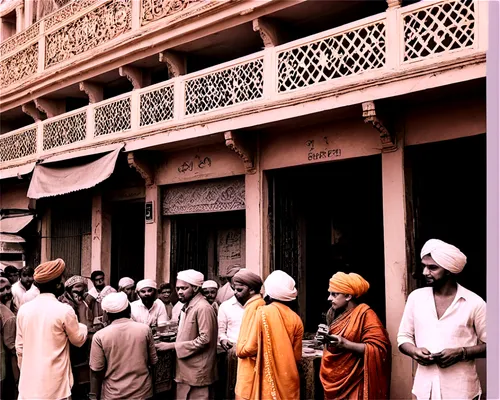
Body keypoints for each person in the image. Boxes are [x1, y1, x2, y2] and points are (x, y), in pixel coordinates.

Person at [398, 239, 486, 400]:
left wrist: (461, 353)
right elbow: (403, 337)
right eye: (424, 266)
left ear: (449, 270)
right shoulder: (416, 298)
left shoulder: (475, 303)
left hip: (462, 391)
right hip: (424, 390)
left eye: (432, 267)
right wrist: (414, 351)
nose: (425, 272)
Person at [15, 258, 88, 400]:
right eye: (62, 278)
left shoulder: (24, 310)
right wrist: (82, 325)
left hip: (29, 385)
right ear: (57, 284)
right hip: (56, 387)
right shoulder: (64, 310)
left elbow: (20, 348)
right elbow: (78, 340)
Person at [318, 272, 391, 400]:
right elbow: (334, 346)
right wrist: (326, 339)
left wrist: (346, 344)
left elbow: (379, 348)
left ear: (348, 296)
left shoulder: (366, 314)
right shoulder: (332, 313)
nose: (329, 298)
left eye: (334, 294)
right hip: (335, 377)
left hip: (356, 379)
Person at [237, 270, 303, 400]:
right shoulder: (296, 318)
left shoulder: (263, 312)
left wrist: (239, 350)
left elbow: (250, 348)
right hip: (289, 379)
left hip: (268, 379)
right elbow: (296, 357)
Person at [155, 269, 218, 400]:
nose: (179, 292)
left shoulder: (203, 308)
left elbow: (205, 339)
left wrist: (171, 346)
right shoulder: (188, 305)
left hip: (198, 370)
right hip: (186, 368)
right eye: (178, 289)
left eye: (184, 288)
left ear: (195, 288)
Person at [89, 292, 158, 400]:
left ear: (106, 314)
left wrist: (93, 396)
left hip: (113, 395)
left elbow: (96, 371)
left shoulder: (100, 336)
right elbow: (153, 362)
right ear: (129, 310)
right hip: (143, 392)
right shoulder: (145, 330)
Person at [230, 269, 264, 400]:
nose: (235, 293)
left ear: (251, 290)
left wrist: (239, 350)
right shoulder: (253, 305)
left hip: (250, 365)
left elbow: (252, 344)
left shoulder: (256, 306)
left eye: (239, 290)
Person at [59, 275, 95, 398]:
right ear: (68, 290)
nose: (79, 295)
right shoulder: (65, 305)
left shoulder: (84, 302)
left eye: (82, 291)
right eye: (76, 291)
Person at [0, 278, 18, 399]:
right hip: (5, 366)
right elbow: (10, 345)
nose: (7, 292)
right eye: (1, 290)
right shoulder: (7, 316)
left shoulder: (9, 309)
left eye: (8, 287)